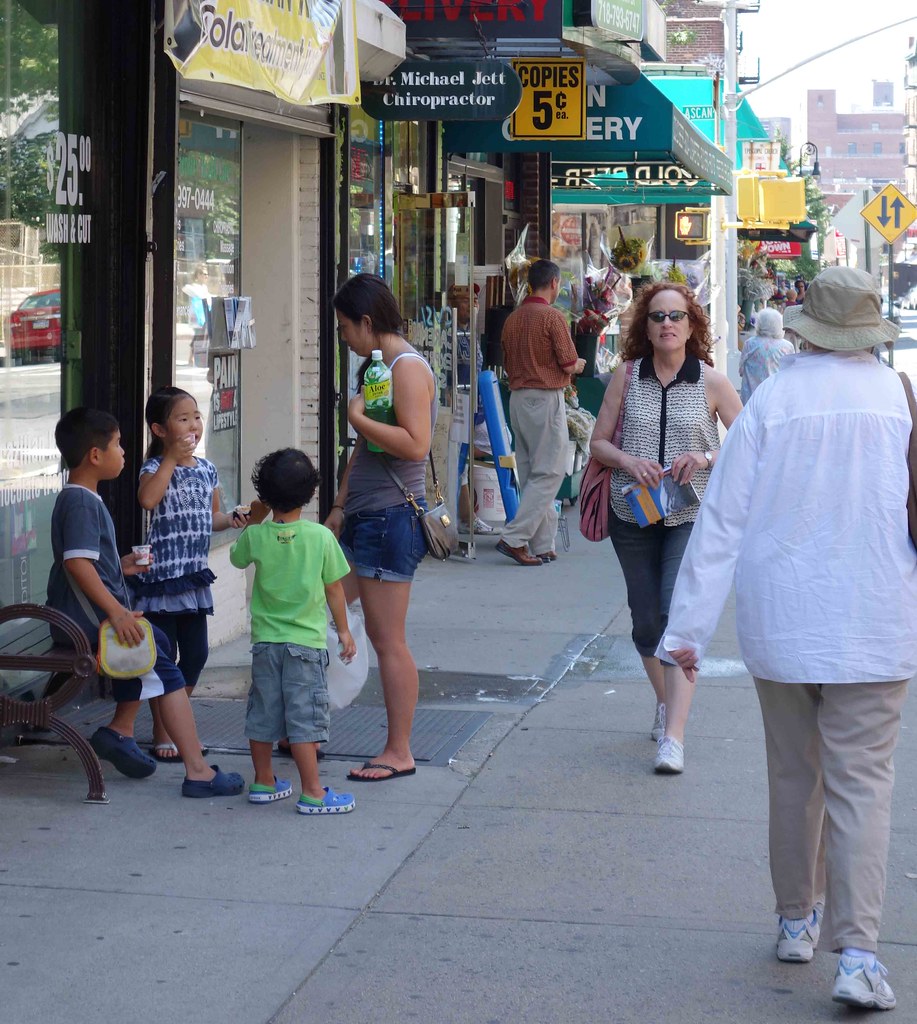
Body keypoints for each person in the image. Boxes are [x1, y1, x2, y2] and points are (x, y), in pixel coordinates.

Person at [656, 267, 911, 1010]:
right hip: (875, 620)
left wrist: (687, 630)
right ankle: (858, 954)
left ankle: (795, 920)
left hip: (784, 619)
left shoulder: (773, 399)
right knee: (862, 787)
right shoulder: (897, 400)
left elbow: (723, 521)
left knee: (793, 778)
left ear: (806, 329)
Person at [45, 407, 244, 798]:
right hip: (89, 623)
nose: (123, 452)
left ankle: (119, 732)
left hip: (84, 617)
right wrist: (118, 612)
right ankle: (198, 771)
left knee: (162, 648)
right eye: (118, 444)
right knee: (163, 665)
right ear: (95, 456)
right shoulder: (82, 502)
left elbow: (87, 563)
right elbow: (77, 563)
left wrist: (121, 567)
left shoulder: (82, 498)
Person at [588, 282, 741, 771]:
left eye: (677, 316)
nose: (667, 323)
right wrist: (630, 462)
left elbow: (747, 443)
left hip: (688, 515)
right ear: (645, 328)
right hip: (631, 512)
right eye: (657, 317)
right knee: (646, 620)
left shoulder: (712, 382)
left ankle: (673, 736)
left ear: (692, 324)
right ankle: (663, 700)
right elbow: (597, 444)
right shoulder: (626, 376)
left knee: (678, 613)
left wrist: (705, 456)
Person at [327, 273, 434, 782]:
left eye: (346, 327)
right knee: (314, 606)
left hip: (391, 517)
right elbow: (364, 452)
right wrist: (340, 506)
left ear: (368, 323)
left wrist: (358, 420)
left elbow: (415, 444)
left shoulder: (406, 368)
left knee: (387, 637)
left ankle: (399, 749)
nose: (344, 338)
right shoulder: (376, 368)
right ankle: (301, 723)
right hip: (364, 514)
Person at [230, 449, 357, 814]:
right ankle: (313, 792)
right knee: (304, 720)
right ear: (310, 493)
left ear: (264, 494)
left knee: (263, 714)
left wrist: (254, 519)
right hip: (306, 646)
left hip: (265, 645)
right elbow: (335, 589)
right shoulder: (319, 537)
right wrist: (345, 632)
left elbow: (237, 559)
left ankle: (263, 781)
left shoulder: (256, 536)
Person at [129, 387, 248, 762]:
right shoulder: (153, 467)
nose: (193, 424)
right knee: (163, 656)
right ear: (159, 430)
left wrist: (231, 519)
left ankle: (174, 716)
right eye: (182, 419)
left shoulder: (208, 468)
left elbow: (211, 517)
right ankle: (163, 730)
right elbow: (148, 500)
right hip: (162, 580)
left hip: (194, 577)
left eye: (196, 416)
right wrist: (169, 459)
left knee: (195, 656)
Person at [497, 259, 586, 566]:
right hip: (545, 398)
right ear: (553, 284)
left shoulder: (513, 318)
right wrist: (579, 366)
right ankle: (514, 538)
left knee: (531, 473)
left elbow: (506, 361)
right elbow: (568, 361)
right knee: (549, 472)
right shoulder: (552, 317)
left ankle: (542, 543)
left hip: (517, 399)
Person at [448, 282, 494, 535]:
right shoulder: (452, 333)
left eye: (475, 300)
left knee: (462, 466)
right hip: (458, 406)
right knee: (458, 464)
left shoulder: (470, 331)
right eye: (467, 301)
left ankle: (466, 517)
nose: (473, 305)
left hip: (472, 406)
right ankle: (458, 519)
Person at [738, 307, 794, 404]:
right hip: (776, 398)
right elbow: (792, 372)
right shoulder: (787, 346)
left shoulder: (750, 343)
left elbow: (741, 370)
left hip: (751, 397)